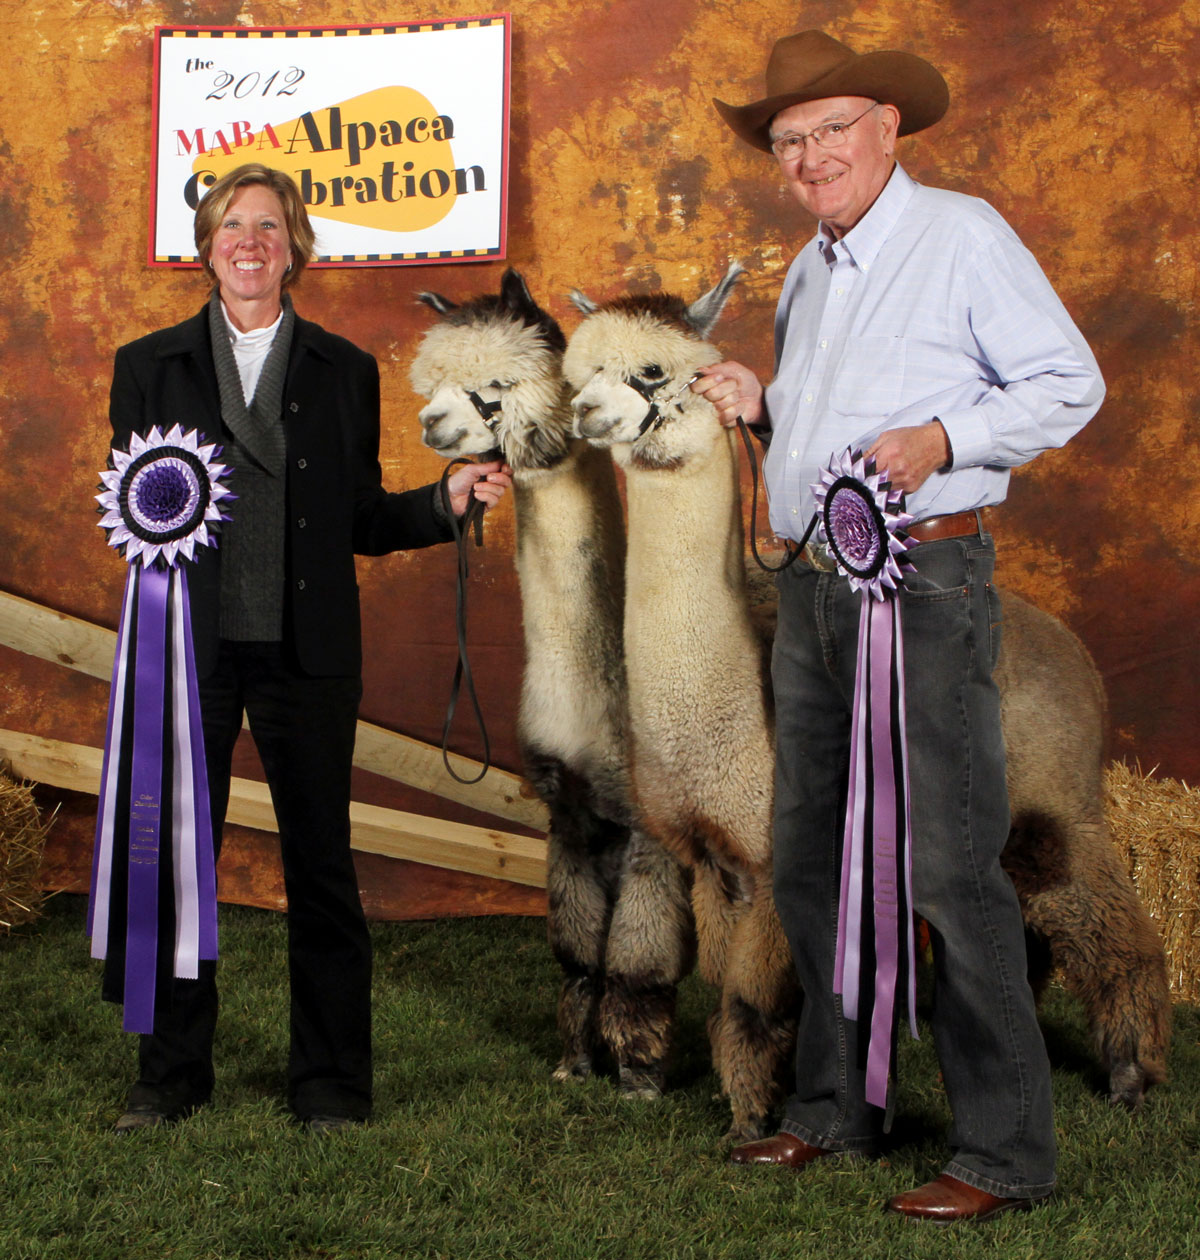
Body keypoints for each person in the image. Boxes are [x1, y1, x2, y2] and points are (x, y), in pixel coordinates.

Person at [694, 31, 1104, 1221]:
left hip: (924, 589)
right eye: (790, 140)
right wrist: (766, 410)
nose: (812, 155)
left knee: (942, 860)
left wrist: (946, 439)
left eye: (832, 129)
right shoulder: (813, 265)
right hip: (819, 590)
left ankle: (1005, 1150)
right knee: (814, 856)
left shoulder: (962, 235)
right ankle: (837, 1106)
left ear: (887, 127)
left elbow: (1067, 383)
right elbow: (837, 438)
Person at [106, 162, 511, 1134]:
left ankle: (329, 1082)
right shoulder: (147, 366)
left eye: (270, 227)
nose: (250, 241)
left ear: (295, 249)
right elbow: (141, 512)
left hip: (308, 654)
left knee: (321, 867)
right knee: (177, 866)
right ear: (207, 245)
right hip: (191, 648)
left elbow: (360, 518)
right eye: (233, 225)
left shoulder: (343, 369)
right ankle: (170, 1077)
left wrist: (442, 500)